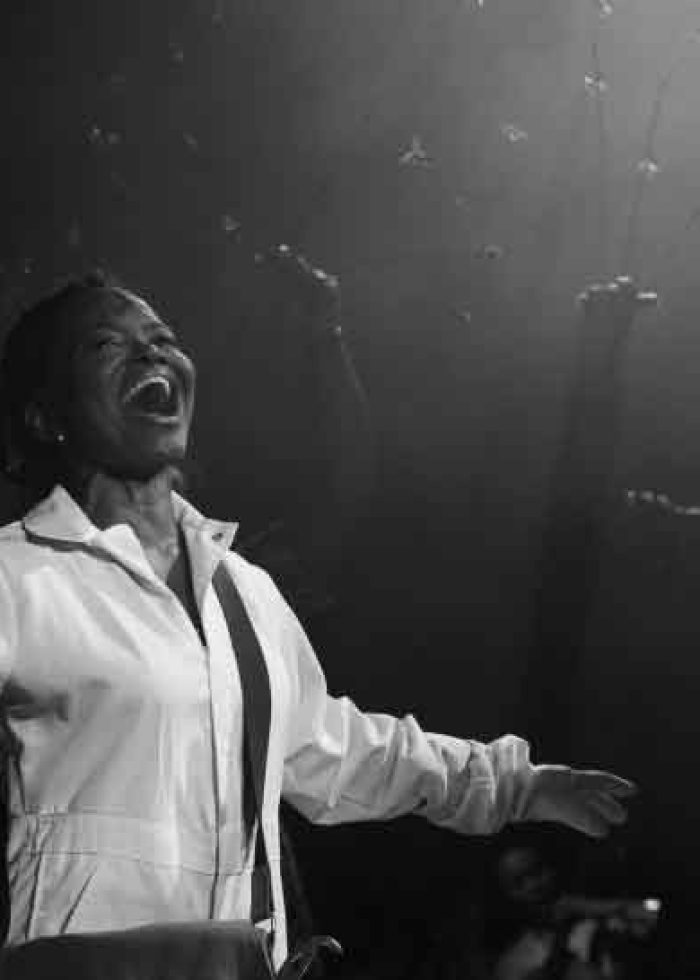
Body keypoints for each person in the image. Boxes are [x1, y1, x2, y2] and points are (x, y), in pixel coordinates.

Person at [0, 264, 635, 971]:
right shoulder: (18, 578)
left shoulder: (241, 590)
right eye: (106, 346)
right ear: (44, 418)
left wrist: (516, 785)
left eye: (162, 338)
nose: (151, 353)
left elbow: (340, 750)